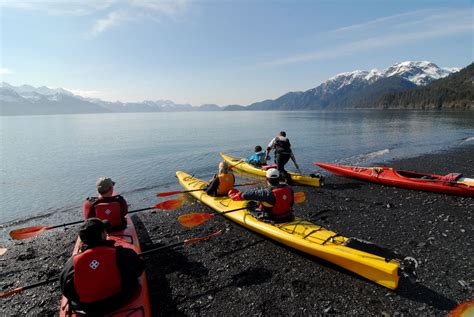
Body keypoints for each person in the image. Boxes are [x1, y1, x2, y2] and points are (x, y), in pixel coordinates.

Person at [60, 218, 145, 315]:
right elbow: (140, 268)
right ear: (102, 235)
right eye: (104, 230)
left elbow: (65, 290)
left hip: (88, 309)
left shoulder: (71, 264)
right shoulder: (121, 254)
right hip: (120, 300)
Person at [228, 168, 294, 223]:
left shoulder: (265, 193)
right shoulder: (288, 188)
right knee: (260, 202)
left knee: (249, 205)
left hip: (274, 218)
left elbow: (246, 195)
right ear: (278, 178)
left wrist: (234, 195)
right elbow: (291, 203)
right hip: (288, 216)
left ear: (267, 179)